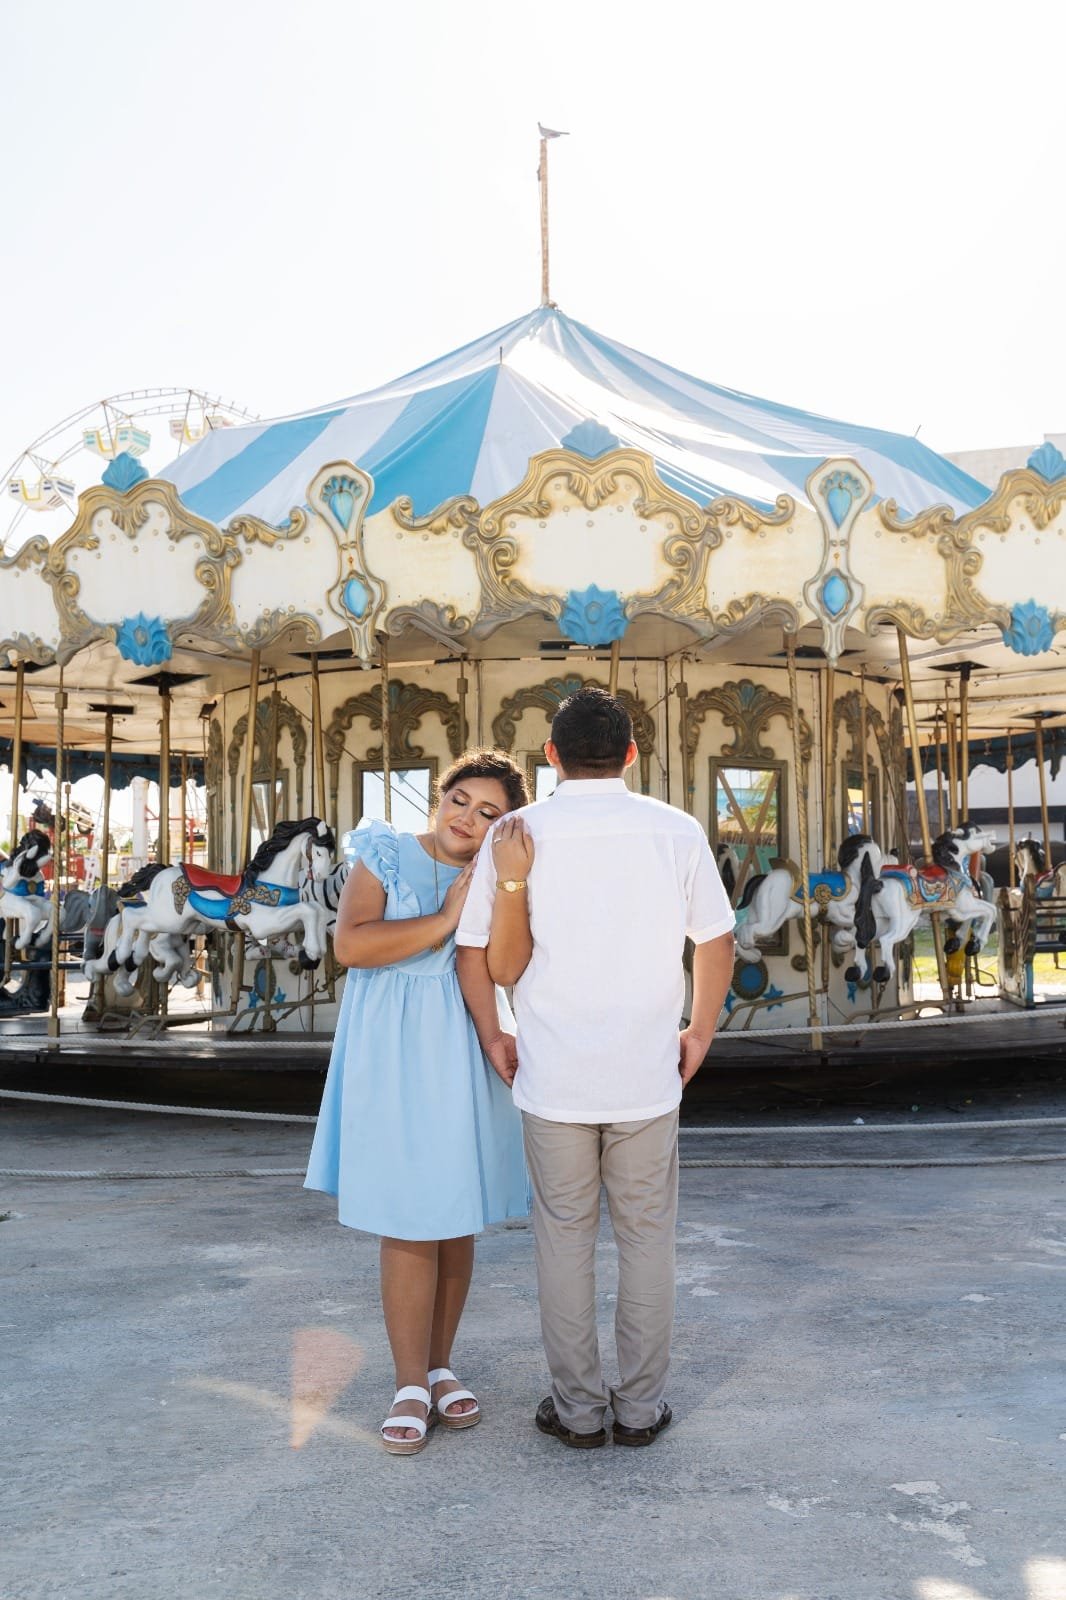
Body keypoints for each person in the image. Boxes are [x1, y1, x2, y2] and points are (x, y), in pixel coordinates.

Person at [456, 687, 735, 1449]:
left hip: (552, 1077)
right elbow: (716, 940)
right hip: (647, 1073)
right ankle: (640, 1410)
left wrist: (494, 1036)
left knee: (563, 1242)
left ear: (550, 757)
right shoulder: (673, 830)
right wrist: (699, 1031)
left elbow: (476, 953)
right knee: (648, 1241)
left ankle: (578, 1412)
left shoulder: (516, 832)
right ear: (632, 756)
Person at [304, 752, 531, 1455]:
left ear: (505, 824)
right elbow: (353, 944)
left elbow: (505, 964)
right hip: (395, 1049)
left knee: (453, 1215)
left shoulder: (501, 874)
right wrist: (446, 917)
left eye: (487, 811)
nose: (466, 817)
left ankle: (439, 1367)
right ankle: (407, 1382)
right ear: (440, 799)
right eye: (458, 800)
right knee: (408, 1217)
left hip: (461, 1043)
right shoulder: (388, 851)